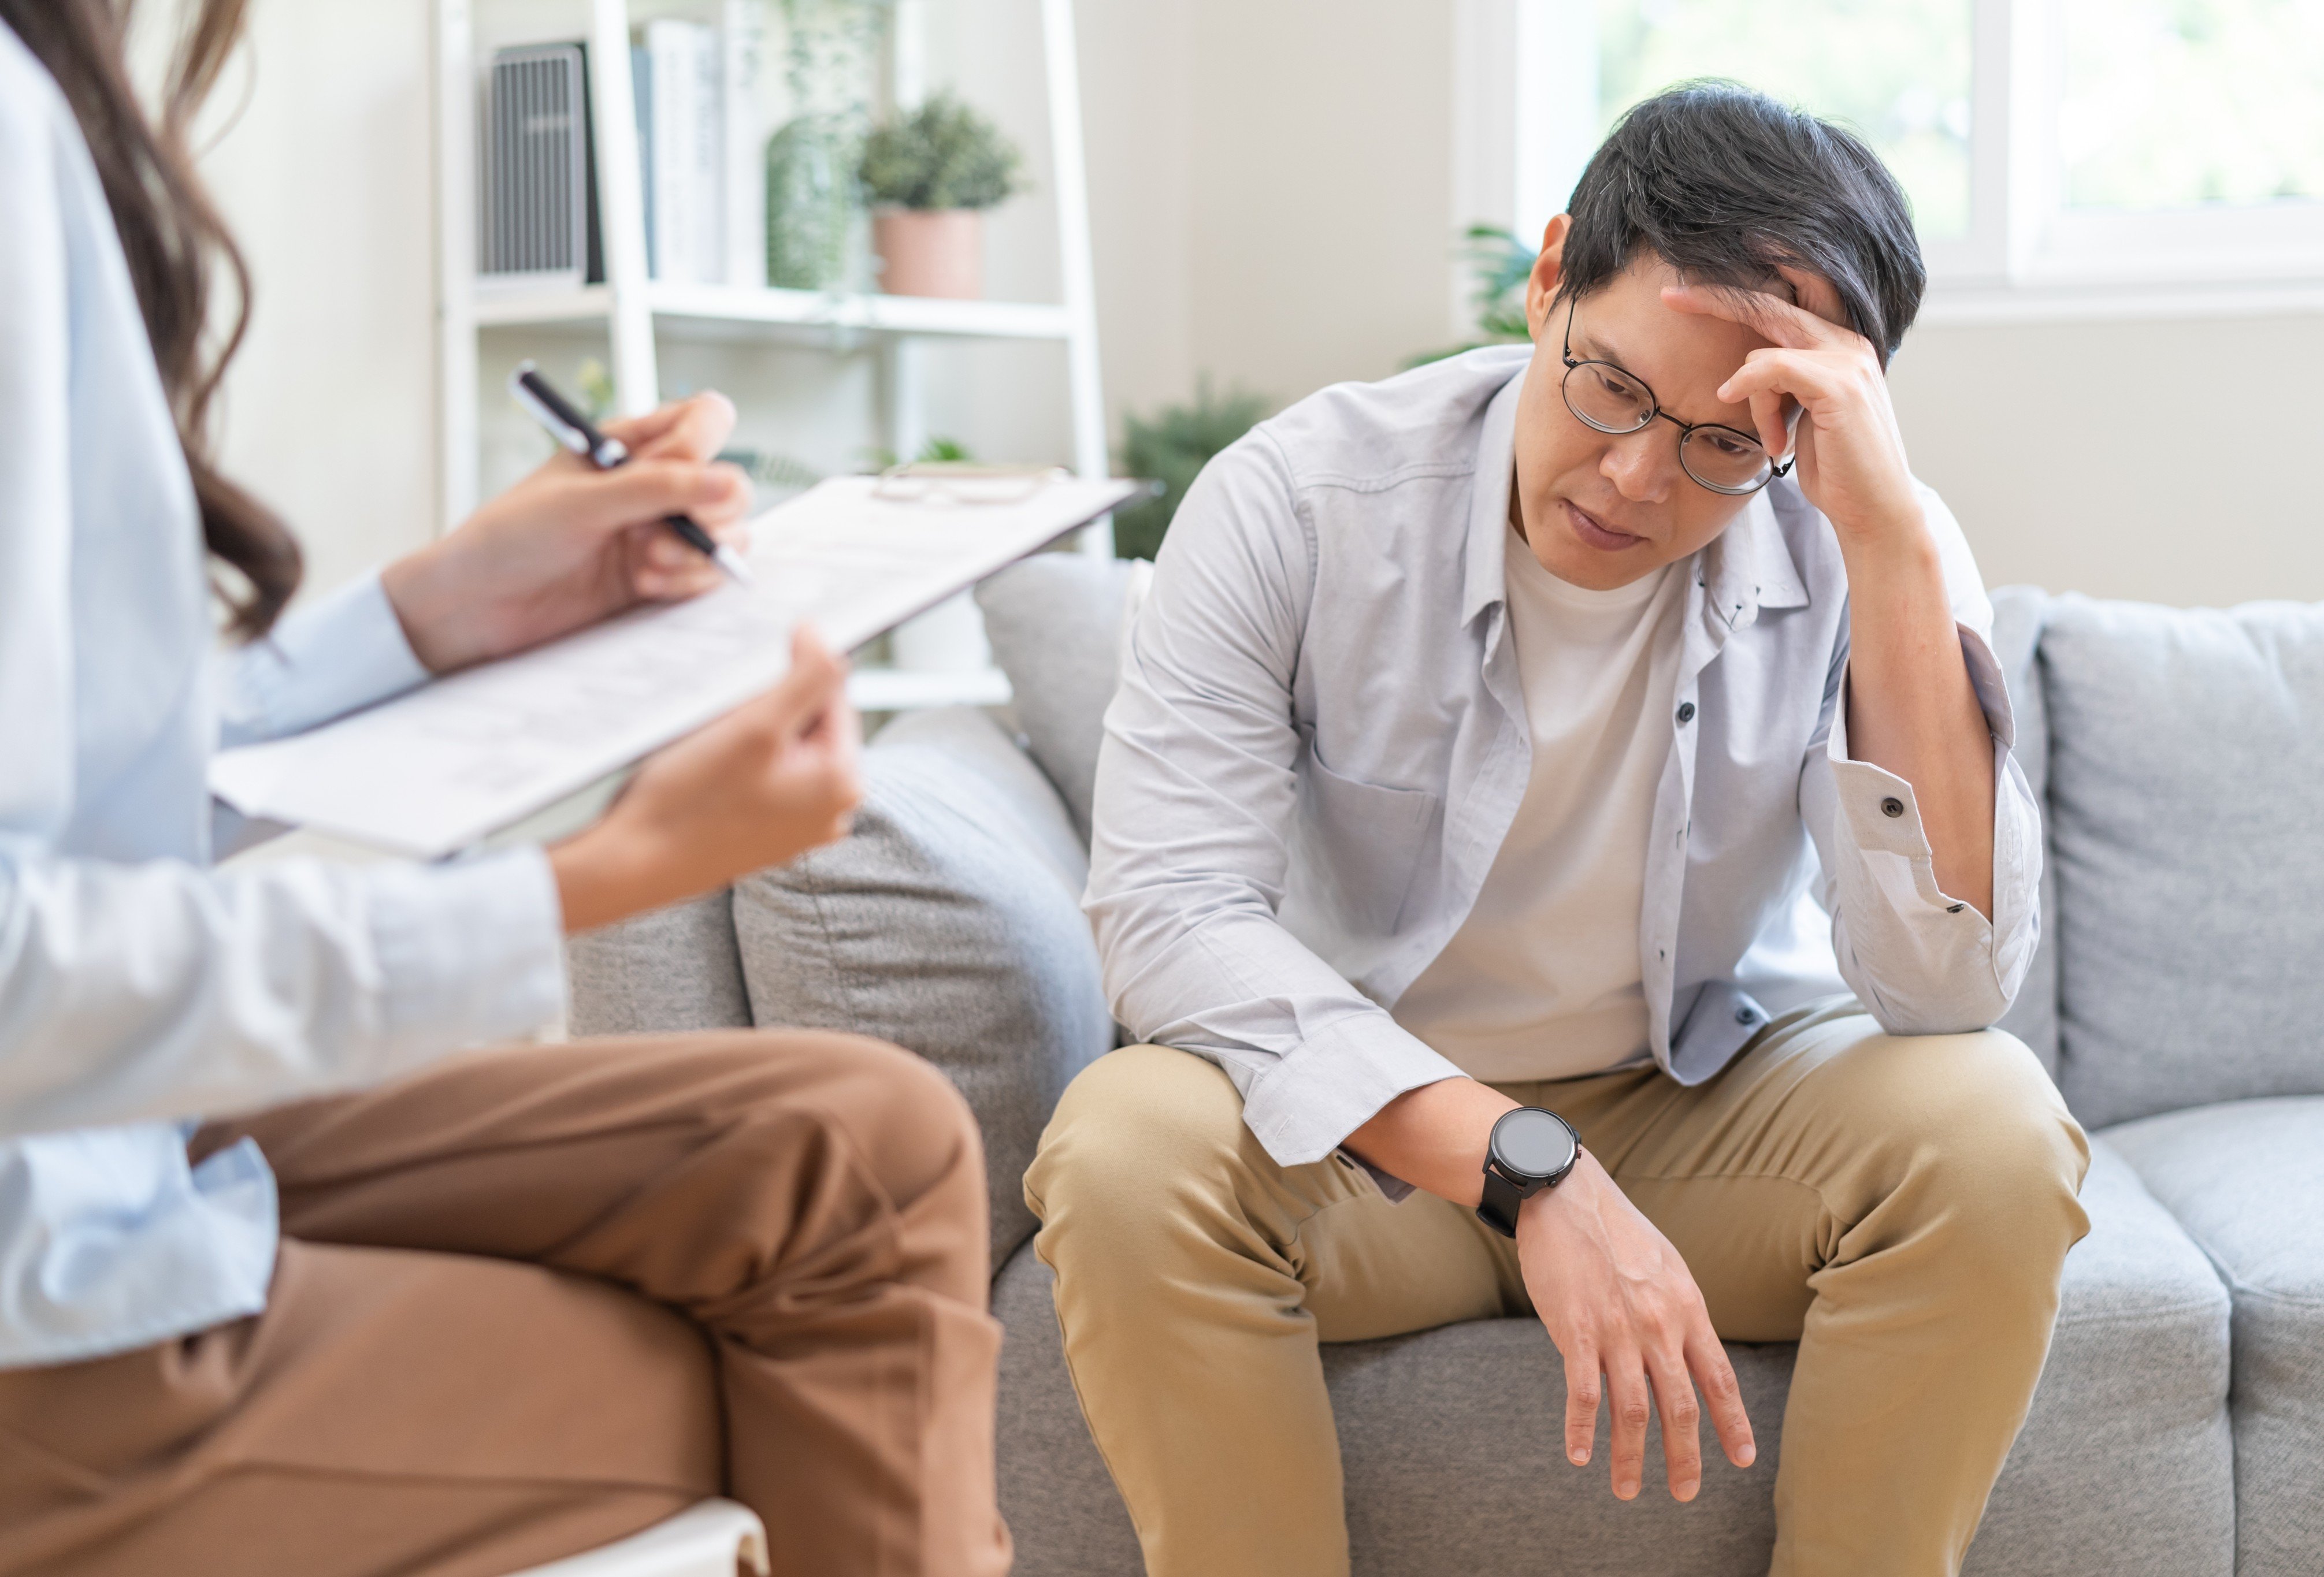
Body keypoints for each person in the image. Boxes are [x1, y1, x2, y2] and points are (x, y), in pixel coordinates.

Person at [1027, 82, 2089, 1577]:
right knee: (1123, 1145)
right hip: (1372, 1131)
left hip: (1694, 1107)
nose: (1640, 478)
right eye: (1614, 387)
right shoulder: (1295, 501)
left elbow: (1946, 987)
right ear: (1547, 284)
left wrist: (1897, 546)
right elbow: (1169, 919)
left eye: (1729, 445)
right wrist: (1530, 1170)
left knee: (1996, 1128)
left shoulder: (1860, 537)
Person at [0, 5, 1009, 1575]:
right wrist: (579, 884)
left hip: (103, 1141)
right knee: (808, 1364)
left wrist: (431, 616)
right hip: (48, 1307)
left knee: (863, 1142)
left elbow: (68, 792)